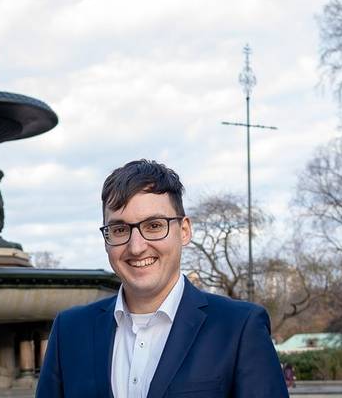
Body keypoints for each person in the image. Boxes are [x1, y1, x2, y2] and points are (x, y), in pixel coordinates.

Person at [37, 159, 288, 398]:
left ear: (185, 230)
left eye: (154, 226)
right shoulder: (69, 331)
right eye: (120, 229)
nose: (136, 247)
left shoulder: (239, 328)